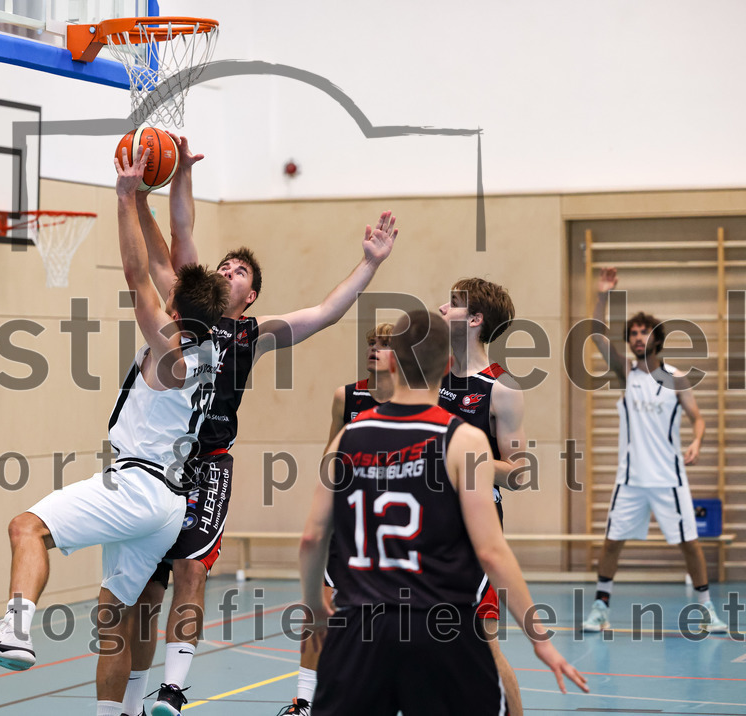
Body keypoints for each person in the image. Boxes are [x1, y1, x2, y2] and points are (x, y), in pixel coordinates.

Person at [0, 146, 230, 716]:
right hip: (169, 504)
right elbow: (174, 246)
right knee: (113, 615)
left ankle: (16, 631)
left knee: (26, 527)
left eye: (168, 284)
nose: (163, 280)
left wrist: (126, 194)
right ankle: (116, 714)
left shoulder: (169, 344)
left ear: (174, 300)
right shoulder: (210, 346)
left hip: (137, 486)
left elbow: (135, 271)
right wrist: (163, 190)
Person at [122, 135, 398, 716]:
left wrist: (369, 265)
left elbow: (325, 312)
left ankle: (173, 690)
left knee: (191, 571)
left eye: (240, 270)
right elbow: (183, 235)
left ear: (250, 297)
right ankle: (127, 699)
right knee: (145, 592)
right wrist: (180, 177)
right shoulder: (185, 300)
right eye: (224, 265)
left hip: (208, 463)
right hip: (155, 460)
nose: (227, 269)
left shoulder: (253, 333)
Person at [299, 310, 589, 715]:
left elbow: (312, 537)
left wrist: (314, 604)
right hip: (441, 627)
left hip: (360, 627)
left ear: (393, 361)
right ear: (449, 367)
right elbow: (491, 551)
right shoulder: (463, 440)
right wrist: (539, 638)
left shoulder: (349, 435)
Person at [581, 267, 727, 633]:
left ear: (656, 338)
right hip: (630, 479)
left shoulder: (675, 378)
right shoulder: (625, 374)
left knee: (690, 544)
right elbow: (596, 335)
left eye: (643, 332)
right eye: (632, 333)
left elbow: (698, 418)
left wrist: (696, 441)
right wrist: (603, 294)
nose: (636, 337)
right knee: (612, 542)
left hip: (669, 478)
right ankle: (600, 607)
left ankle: (707, 609)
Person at [276, 323, 395, 716]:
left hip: (393, 526)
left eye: (383, 345)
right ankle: (305, 699)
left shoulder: (416, 402)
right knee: (319, 608)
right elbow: (330, 460)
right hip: (350, 520)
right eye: (371, 344)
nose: (373, 350)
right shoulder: (346, 396)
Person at [437, 277, 526, 714]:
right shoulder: (428, 378)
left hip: (474, 523)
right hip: (426, 518)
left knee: (482, 638)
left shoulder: (501, 388)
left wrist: (465, 458)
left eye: (451, 304)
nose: (441, 308)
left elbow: (518, 474)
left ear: (474, 320)